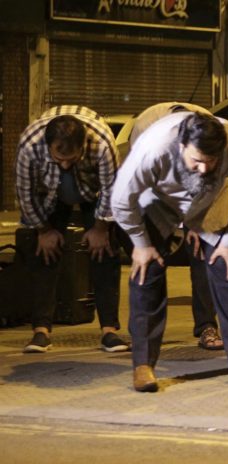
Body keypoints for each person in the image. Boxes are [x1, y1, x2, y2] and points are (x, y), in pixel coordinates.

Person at [111, 112, 228, 392]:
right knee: (148, 271)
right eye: (197, 160)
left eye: (211, 161)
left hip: (210, 199)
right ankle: (143, 364)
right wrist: (141, 245)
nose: (204, 168)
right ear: (181, 146)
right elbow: (121, 201)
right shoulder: (153, 148)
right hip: (156, 201)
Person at [121, 102, 228, 352]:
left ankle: (207, 326)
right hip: (155, 191)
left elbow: (214, 183)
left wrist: (197, 223)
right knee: (150, 256)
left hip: (205, 189)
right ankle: (142, 332)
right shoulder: (147, 134)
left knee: (203, 252)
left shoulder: (210, 132)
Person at [15, 106, 127, 354]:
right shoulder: (29, 146)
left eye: (71, 158)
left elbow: (111, 190)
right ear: (48, 146)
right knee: (44, 254)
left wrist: (100, 229)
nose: (65, 165)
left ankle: (110, 331)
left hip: (92, 190)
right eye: (58, 158)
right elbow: (25, 193)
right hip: (48, 194)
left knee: (105, 250)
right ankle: (41, 331)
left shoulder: (102, 143)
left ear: (83, 146)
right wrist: (43, 231)